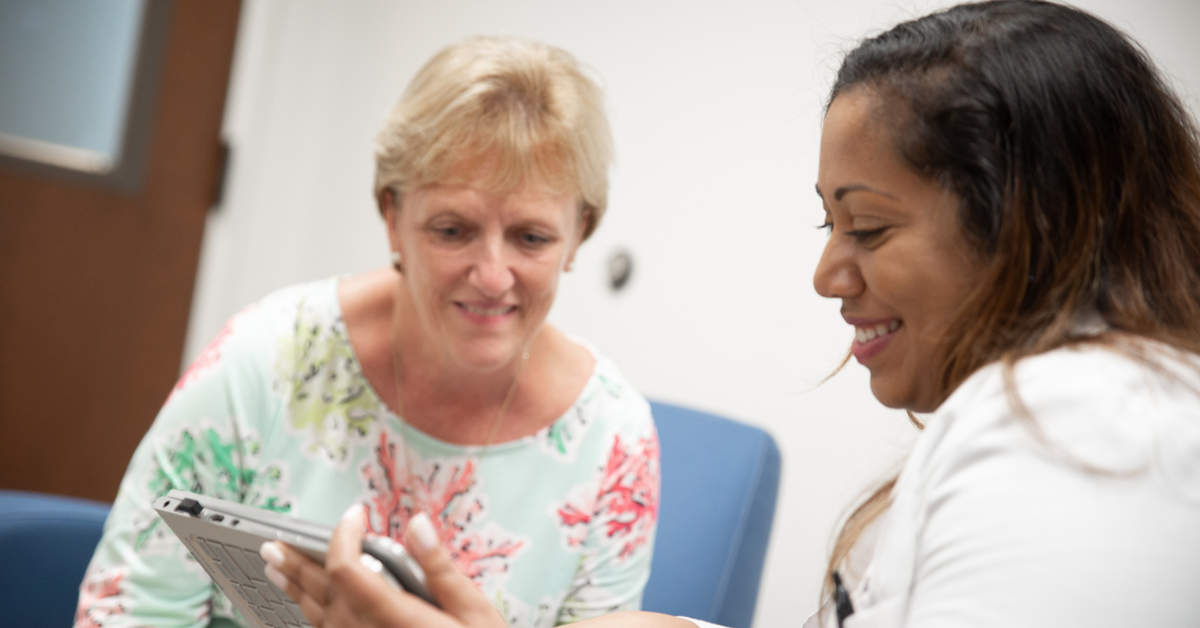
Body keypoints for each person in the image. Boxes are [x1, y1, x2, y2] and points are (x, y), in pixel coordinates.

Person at [262, 1, 1200, 627]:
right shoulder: (279, 343)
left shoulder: (1085, 432)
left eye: (868, 227)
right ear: (391, 215)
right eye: (453, 228)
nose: (829, 273)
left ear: (1029, 224)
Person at [75, 36, 661, 628]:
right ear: (392, 217)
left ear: (579, 233)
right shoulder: (269, 360)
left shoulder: (614, 441)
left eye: (531, 238)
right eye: (452, 230)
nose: (491, 276)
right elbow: (127, 609)